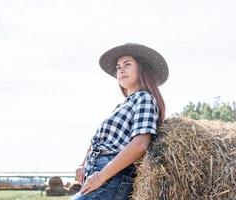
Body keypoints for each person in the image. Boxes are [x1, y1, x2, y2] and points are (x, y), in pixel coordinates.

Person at [71, 43, 169, 200]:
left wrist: (101, 176)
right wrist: (82, 163)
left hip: (113, 176)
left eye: (127, 64)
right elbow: (98, 140)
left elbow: (140, 144)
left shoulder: (144, 99)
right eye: (118, 67)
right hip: (99, 174)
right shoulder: (121, 106)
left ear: (142, 69)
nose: (121, 70)